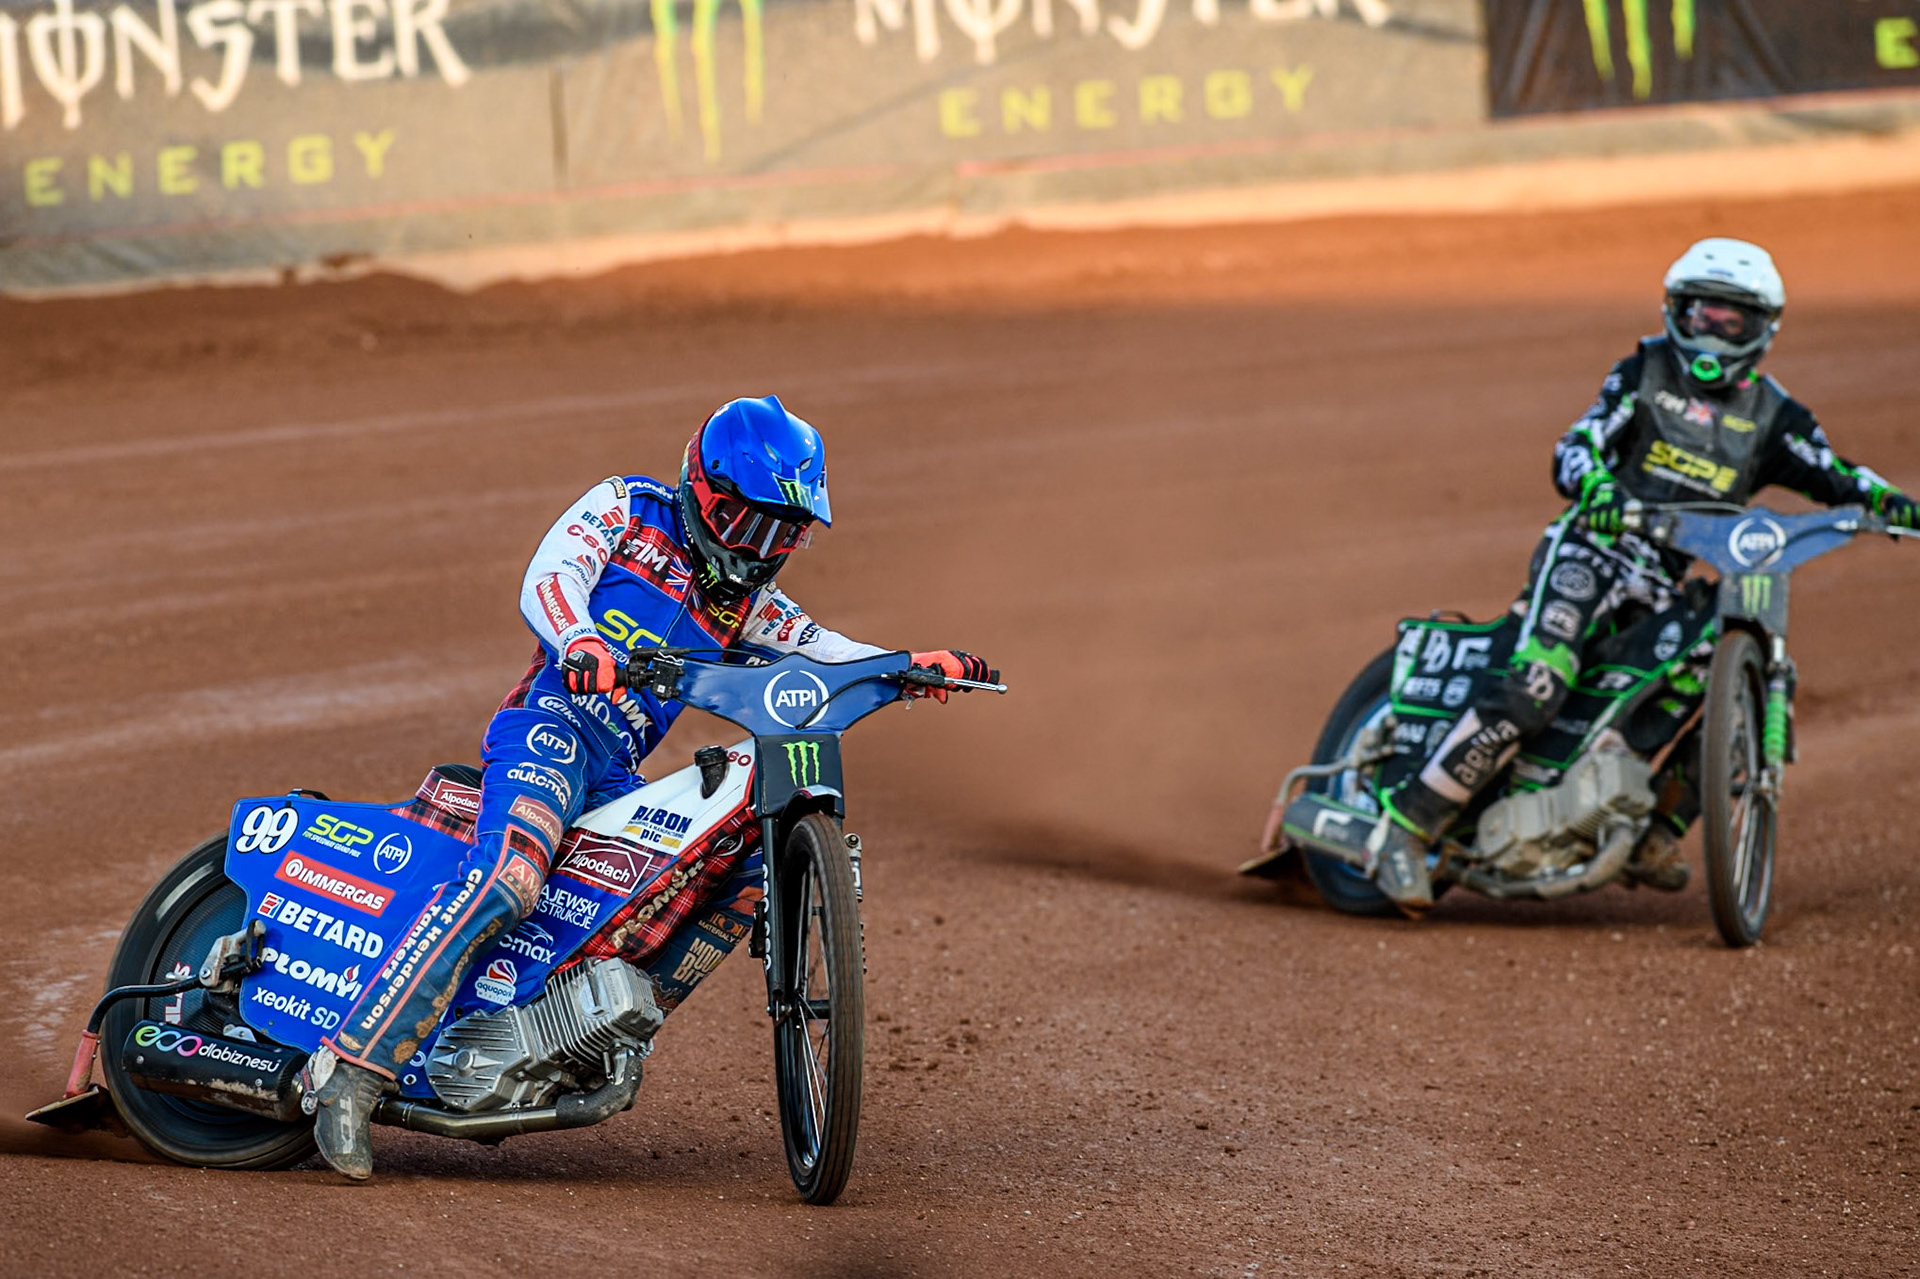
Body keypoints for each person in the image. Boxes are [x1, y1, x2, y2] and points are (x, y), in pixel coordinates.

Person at [302, 395, 993, 1179]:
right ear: (703, 491)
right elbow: (551, 575)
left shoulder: (748, 605)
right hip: (550, 731)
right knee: (510, 878)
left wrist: (908, 666)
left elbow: (824, 652)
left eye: (783, 532)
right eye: (747, 523)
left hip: (615, 775)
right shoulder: (629, 509)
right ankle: (350, 1069)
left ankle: (569, 1036)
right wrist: (579, 637)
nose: (760, 548)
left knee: (732, 871)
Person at [1367, 238, 1917, 915]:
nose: (1710, 332)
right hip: (1592, 550)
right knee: (1537, 684)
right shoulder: (1643, 373)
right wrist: (1597, 486)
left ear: (1762, 329)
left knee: (1715, 666)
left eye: (1730, 320)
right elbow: (1578, 443)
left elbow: (1836, 473)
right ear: (1673, 312)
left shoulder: (1777, 418)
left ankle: (1657, 828)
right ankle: (1405, 827)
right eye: (1698, 313)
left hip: (1661, 582)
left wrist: (1893, 504)